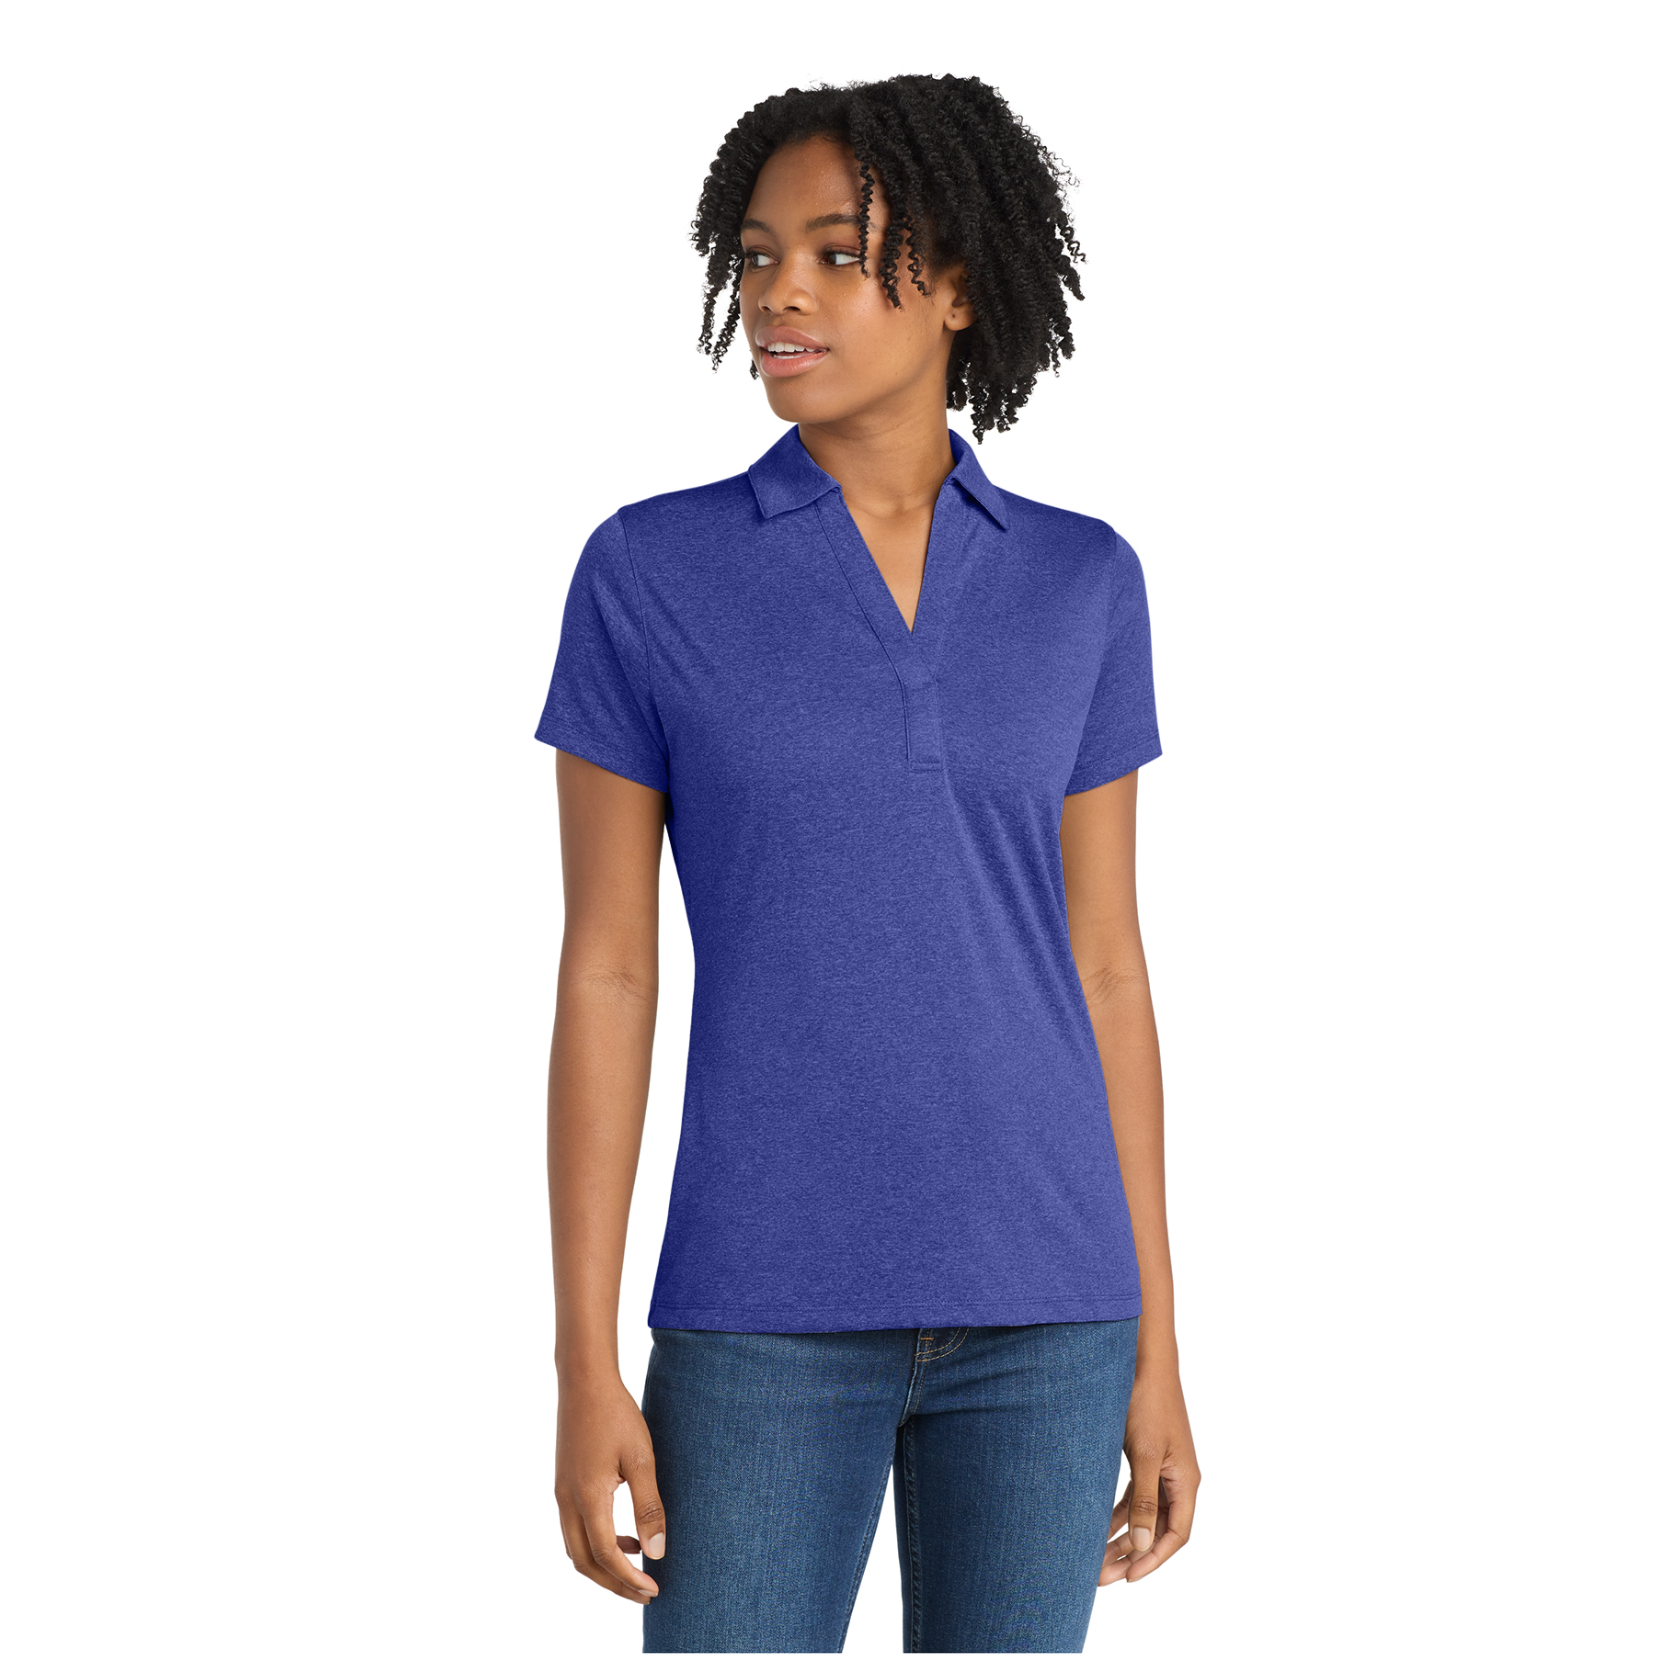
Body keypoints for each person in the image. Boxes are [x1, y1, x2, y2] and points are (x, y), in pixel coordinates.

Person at [539, 73, 1199, 1654]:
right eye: (759, 256)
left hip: (1050, 1306)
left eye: (837, 255)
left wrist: (1159, 1345)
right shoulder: (648, 571)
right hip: (758, 1307)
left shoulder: (1080, 581)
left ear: (958, 284)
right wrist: (581, 1358)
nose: (779, 292)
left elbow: (1104, 965)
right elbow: (608, 968)